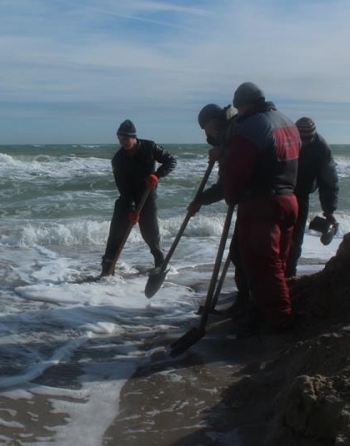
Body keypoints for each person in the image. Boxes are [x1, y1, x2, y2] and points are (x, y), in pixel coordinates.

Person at [222, 83, 300, 330]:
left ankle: (279, 320)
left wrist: (231, 195)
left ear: (247, 104)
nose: (239, 111)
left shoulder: (252, 127)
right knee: (280, 261)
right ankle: (268, 311)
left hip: (261, 204)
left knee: (262, 266)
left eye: (239, 106)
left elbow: (237, 168)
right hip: (289, 200)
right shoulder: (287, 122)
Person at [187, 104, 249, 316]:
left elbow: (243, 160)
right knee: (240, 253)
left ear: (214, 124)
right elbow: (225, 184)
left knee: (242, 254)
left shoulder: (236, 131)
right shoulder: (230, 133)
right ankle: (246, 301)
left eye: (206, 127)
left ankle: (249, 305)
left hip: (258, 200)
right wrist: (201, 200)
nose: (206, 133)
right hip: (252, 200)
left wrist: (223, 153)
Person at [101, 119, 176, 276]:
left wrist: (157, 175)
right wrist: (131, 210)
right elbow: (124, 188)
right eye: (120, 139)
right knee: (116, 232)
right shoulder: (118, 160)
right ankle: (107, 267)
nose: (123, 143)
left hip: (147, 197)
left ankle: (160, 263)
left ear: (134, 137)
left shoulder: (150, 147)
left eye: (126, 139)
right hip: (127, 199)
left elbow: (171, 161)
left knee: (150, 233)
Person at [285, 117, 340, 278]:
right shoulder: (286, 141)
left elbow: (329, 180)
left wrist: (329, 211)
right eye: (301, 139)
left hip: (301, 194)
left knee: (296, 238)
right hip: (281, 192)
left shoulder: (321, 148)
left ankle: (290, 274)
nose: (305, 142)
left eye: (309, 138)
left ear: (314, 136)